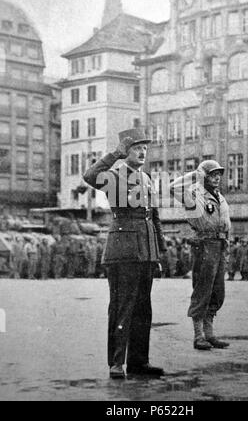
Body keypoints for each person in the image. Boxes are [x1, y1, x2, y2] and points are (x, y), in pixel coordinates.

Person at [84, 128, 166, 379]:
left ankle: (139, 362)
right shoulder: (114, 176)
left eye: (144, 148)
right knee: (122, 307)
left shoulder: (147, 178)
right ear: (125, 151)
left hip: (145, 252)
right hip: (123, 250)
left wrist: (158, 252)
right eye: (136, 148)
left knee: (143, 308)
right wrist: (114, 155)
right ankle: (116, 362)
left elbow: (153, 217)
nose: (142, 152)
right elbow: (89, 175)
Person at [171, 160, 231, 351]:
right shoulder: (194, 195)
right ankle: (198, 336)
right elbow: (173, 187)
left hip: (220, 244)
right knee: (202, 289)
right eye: (212, 174)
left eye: (218, 174)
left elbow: (225, 224)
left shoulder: (220, 197)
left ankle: (210, 333)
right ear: (203, 176)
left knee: (217, 291)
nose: (217, 177)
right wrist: (195, 175)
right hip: (204, 244)